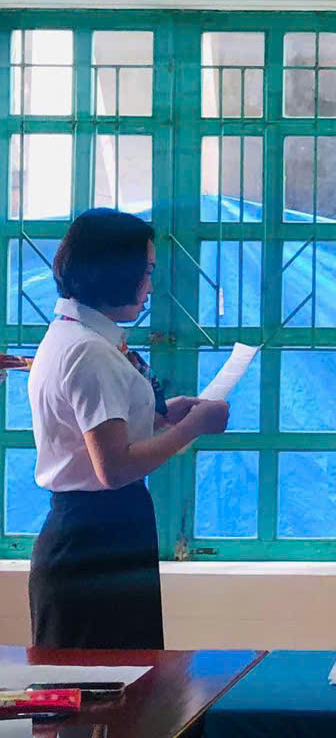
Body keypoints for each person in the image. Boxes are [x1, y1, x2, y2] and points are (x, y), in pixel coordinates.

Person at [28, 209, 230, 649]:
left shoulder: (77, 334)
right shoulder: (88, 350)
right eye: (147, 272)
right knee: (104, 682)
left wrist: (163, 414)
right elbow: (114, 467)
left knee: (127, 675)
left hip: (98, 534)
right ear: (115, 271)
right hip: (95, 543)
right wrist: (192, 427)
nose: (150, 287)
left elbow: (96, 424)